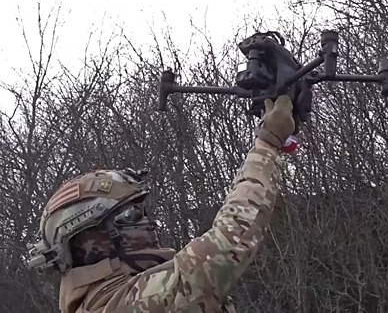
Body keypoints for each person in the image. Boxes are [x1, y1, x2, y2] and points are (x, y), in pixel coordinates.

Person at [26, 95, 298, 313]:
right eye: (131, 215)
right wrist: (267, 143)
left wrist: (273, 144)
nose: (148, 223)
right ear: (88, 242)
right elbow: (225, 247)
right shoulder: (120, 305)